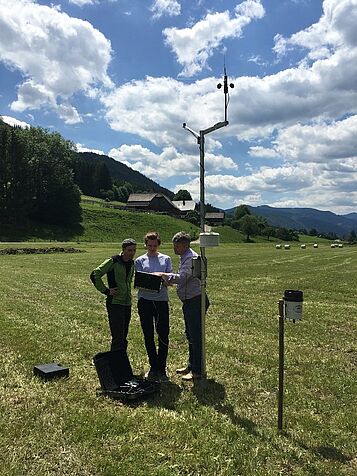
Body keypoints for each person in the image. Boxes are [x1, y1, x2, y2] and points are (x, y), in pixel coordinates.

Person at [161, 231, 209, 381]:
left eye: (177, 246)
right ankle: (191, 365)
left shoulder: (191, 258)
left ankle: (197, 370)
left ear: (185, 245)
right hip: (189, 301)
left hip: (195, 301)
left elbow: (182, 278)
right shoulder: (185, 257)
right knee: (190, 334)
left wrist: (165, 276)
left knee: (195, 335)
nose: (174, 249)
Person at [135, 231, 173, 381]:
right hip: (144, 300)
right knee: (148, 334)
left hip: (161, 300)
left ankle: (162, 368)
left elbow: (170, 281)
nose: (152, 248)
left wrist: (162, 278)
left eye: (154, 245)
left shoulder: (166, 259)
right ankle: (153, 366)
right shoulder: (139, 260)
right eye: (149, 245)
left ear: (158, 244)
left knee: (163, 334)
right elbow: (138, 281)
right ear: (145, 244)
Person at [90, 238, 137, 352]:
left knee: (124, 335)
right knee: (117, 337)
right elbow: (95, 274)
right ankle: (115, 363)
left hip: (127, 303)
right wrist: (106, 291)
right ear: (123, 249)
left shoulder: (132, 263)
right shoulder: (113, 261)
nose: (132, 253)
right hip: (115, 303)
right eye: (129, 250)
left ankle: (121, 360)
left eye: (134, 250)